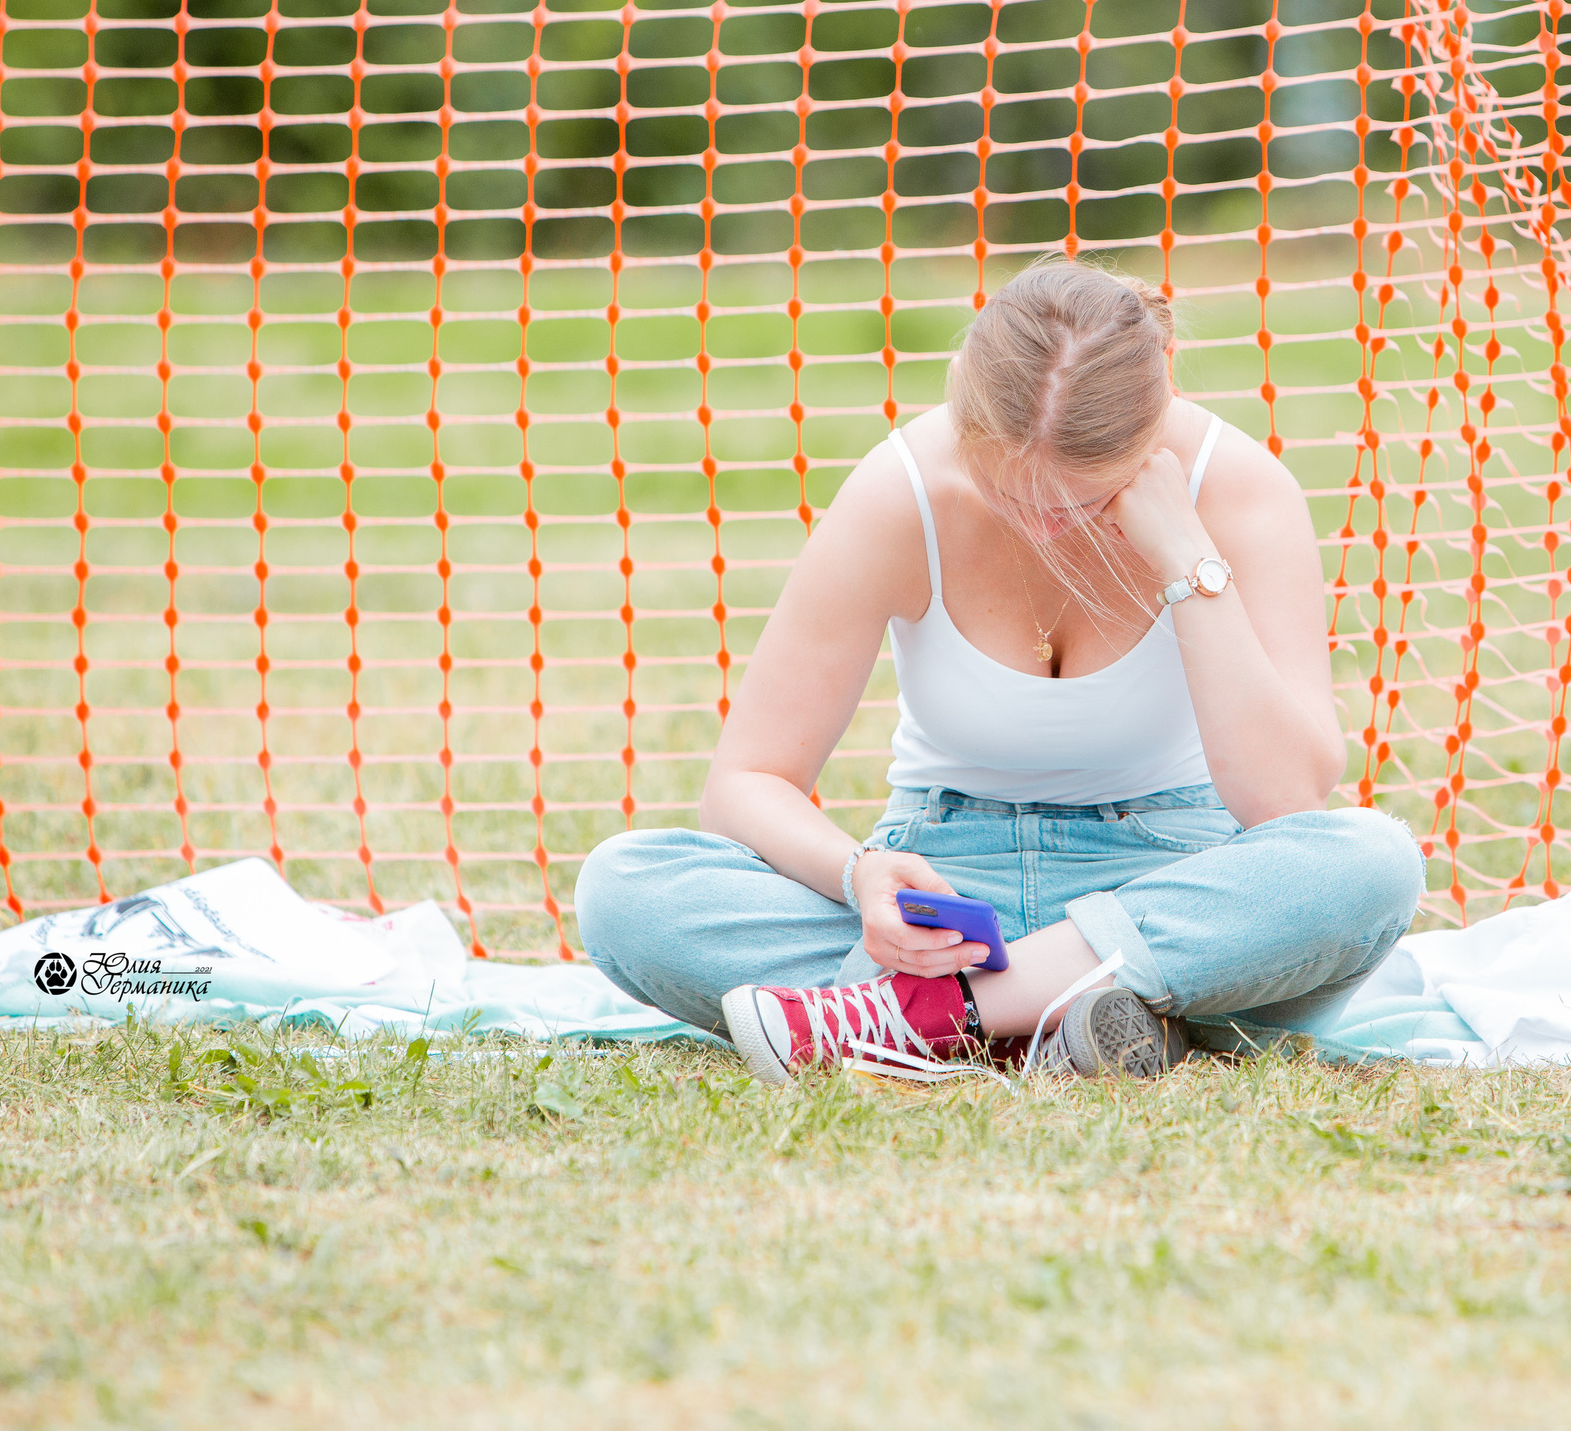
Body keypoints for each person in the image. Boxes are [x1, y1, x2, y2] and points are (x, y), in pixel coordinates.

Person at [575, 257, 1423, 1084]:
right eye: (1010, 493)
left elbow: (1285, 806)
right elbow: (745, 780)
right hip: (948, 884)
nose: (1044, 530)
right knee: (625, 888)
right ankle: (1087, 1017)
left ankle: (918, 1020)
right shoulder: (899, 490)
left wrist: (1187, 558)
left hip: (1166, 884)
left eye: (1083, 503)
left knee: (1371, 863)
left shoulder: (1240, 491)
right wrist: (860, 872)